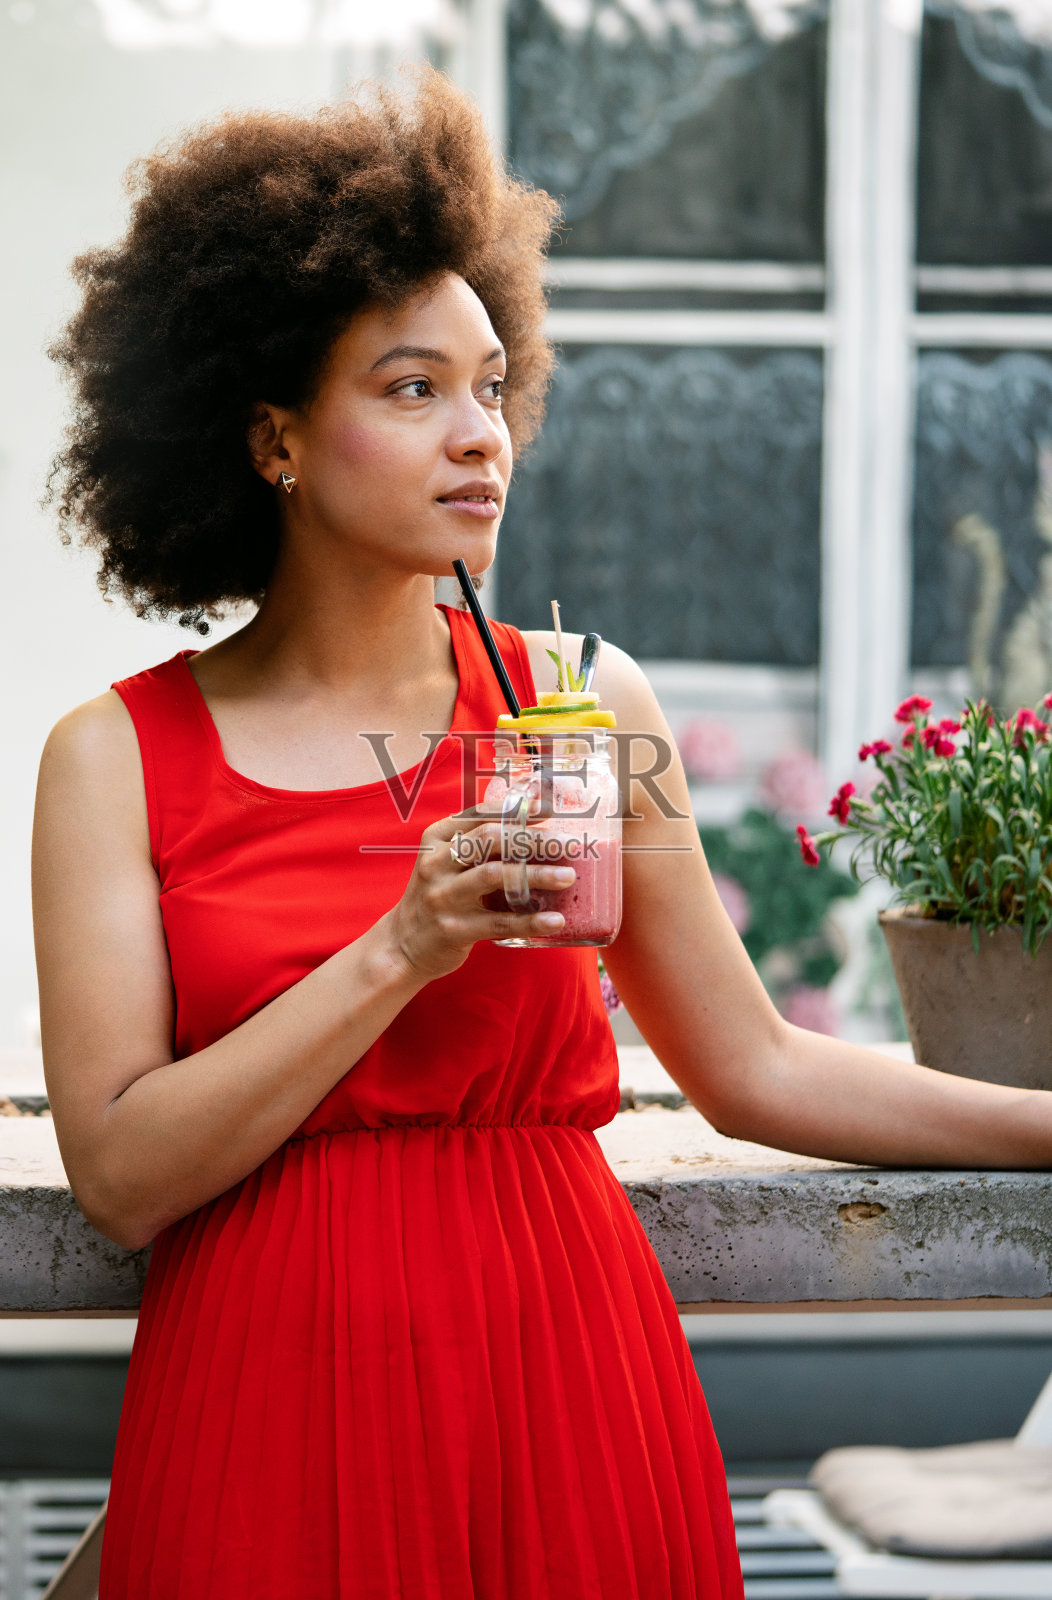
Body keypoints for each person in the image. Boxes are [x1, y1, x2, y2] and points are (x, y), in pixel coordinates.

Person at [32, 68, 1050, 1600]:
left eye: (494, 386)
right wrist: (403, 946)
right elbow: (119, 1172)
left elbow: (755, 1066)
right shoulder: (112, 758)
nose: (479, 437)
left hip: (566, 1371)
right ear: (272, 441)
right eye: (410, 387)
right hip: (263, 1399)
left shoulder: (582, 702)